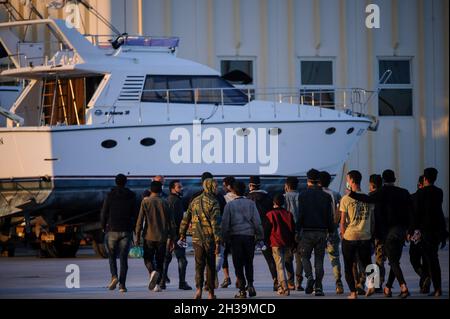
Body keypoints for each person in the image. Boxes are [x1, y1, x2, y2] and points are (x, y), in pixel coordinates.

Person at [349, 169, 412, 298]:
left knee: (392, 262)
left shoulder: (381, 192)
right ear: (394, 179)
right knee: (395, 261)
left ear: (383, 180)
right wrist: (409, 230)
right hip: (401, 231)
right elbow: (411, 212)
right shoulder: (404, 193)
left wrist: (352, 195)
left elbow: (366, 198)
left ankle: (403, 286)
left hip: (388, 233)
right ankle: (388, 287)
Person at [179, 178, 222, 299]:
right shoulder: (214, 202)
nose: (217, 188)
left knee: (199, 265)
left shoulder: (194, 201)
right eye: (216, 186)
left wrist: (182, 234)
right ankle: (210, 293)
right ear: (211, 187)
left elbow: (186, 218)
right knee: (210, 266)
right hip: (210, 239)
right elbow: (215, 224)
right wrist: (218, 241)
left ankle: (198, 290)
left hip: (196, 239)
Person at [222, 181, 264, 298]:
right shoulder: (251, 204)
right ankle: (250, 285)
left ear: (233, 191)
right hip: (249, 237)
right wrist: (260, 236)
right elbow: (257, 221)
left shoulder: (229, 205)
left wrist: (224, 238)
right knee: (249, 262)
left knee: (238, 264)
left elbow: (225, 223)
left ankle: (241, 290)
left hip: (235, 237)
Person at [297, 169, 334, 296]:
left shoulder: (302, 195)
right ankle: (318, 287)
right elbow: (329, 217)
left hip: (307, 232)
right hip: (321, 232)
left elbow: (300, 215)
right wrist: (331, 231)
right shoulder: (326, 196)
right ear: (318, 180)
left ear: (308, 180)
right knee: (319, 260)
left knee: (304, 257)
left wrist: (297, 230)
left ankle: (309, 277)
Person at [411, 168, 448, 297]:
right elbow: (439, 212)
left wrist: (412, 230)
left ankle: (435, 286)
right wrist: (443, 232)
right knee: (433, 259)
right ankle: (436, 287)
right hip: (436, 231)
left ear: (425, 179)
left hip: (424, 231)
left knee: (429, 260)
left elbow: (417, 214)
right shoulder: (439, 192)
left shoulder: (420, 193)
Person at [339, 170, 375, 299]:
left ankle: (353, 293)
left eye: (348, 179)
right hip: (365, 236)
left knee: (348, 266)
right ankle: (371, 286)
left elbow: (342, 221)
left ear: (352, 181)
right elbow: (372, 220)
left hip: (350, 236)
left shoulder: (346, 199)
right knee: (368, 263)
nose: (347, 182)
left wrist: (343, 235)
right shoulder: (367, 198)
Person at [135, 181, 176, 293]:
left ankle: (152, 271)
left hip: (148, 236)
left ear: (150, 190)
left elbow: (139, 221)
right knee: (160, 260)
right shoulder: (166, 203)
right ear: (161, 190)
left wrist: (137, 237)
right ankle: (157, 285)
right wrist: (172, 239)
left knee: (147, 258)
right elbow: (172, 223)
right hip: (162, 237)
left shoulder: (145, 202)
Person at [101, 174, 137, 293]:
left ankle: (114, 276)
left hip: (112, 229)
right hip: (126, 230)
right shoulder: (131, 195)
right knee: (123, 259)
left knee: (111, 256)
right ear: (126, 182)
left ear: (115, 182)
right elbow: (135, 214)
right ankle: (122, 285)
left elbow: (104, 212)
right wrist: (135, 229)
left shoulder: (110, 195)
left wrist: (102, 226)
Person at [246, 175, 279, 291]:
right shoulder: (268, 197)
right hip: (265, 231)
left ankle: (249, 284)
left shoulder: (247, 198)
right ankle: (275, 279)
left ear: (250, 185)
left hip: (250, 232)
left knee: (248, 259)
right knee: (270, 258)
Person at [160, 180, 192, 290]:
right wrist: (177, 236)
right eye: (179, 187)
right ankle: (182, 283)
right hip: (176, 235)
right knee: (182, 259)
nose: (181, 189)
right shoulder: (176, 201)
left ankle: (162, 281)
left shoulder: (166, 200)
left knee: (166, 259)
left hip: (167, 235)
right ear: (172, 189)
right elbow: (176, 221)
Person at [319, 171, 344, 295]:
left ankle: (318, 285)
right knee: (335, 257)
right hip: (332, 231)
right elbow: (340, 213)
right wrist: (334, 225)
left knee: (318, 259)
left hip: (318, 231)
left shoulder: (315, 195)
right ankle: (338, 282)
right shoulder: (336, 194)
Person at [266, 193, 296, 296]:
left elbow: (267, 229)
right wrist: (293, 243)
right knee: (284, 264)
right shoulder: (288, 214)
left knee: (280, 266)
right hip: (287, 243)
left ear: (274, 203)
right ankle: (282, 287)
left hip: (275, 242)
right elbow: (293, 229)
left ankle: (284, 287)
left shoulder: (270, 214)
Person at [408, 175, 430, 294]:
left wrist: (409, 231)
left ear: (419, 185)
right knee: (426, 260)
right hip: (429, 233)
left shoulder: (413, 197)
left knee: (414, 259)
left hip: (416, 233)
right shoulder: (433, 197)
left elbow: (411, 217)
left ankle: (424, 276)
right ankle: (424, 283)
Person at [284, 176, 303, 291]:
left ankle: (290, 282)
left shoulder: (283, 197)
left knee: (287, 258)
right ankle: (299, 282)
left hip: (287, 231)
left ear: (287, 185)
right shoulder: (302, 197)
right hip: (300, 231)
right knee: (299, 258)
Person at [368, 174, 385, 293]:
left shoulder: (370, 197)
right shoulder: (386, 197)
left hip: (371, 233)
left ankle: (372, 284)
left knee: (367, 259)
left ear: (371, 184)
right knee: (380, 260)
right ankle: (379, 284)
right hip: (383, 233)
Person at [220, 176, 237, 288]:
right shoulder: (242, 197)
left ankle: (227, 278)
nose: (223, 187)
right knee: (237, 256)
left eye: (224, 185)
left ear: (228, 186)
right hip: (238, 231)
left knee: (224, 255)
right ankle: (239, 278)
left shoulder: (224, 198)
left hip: (227, 231)